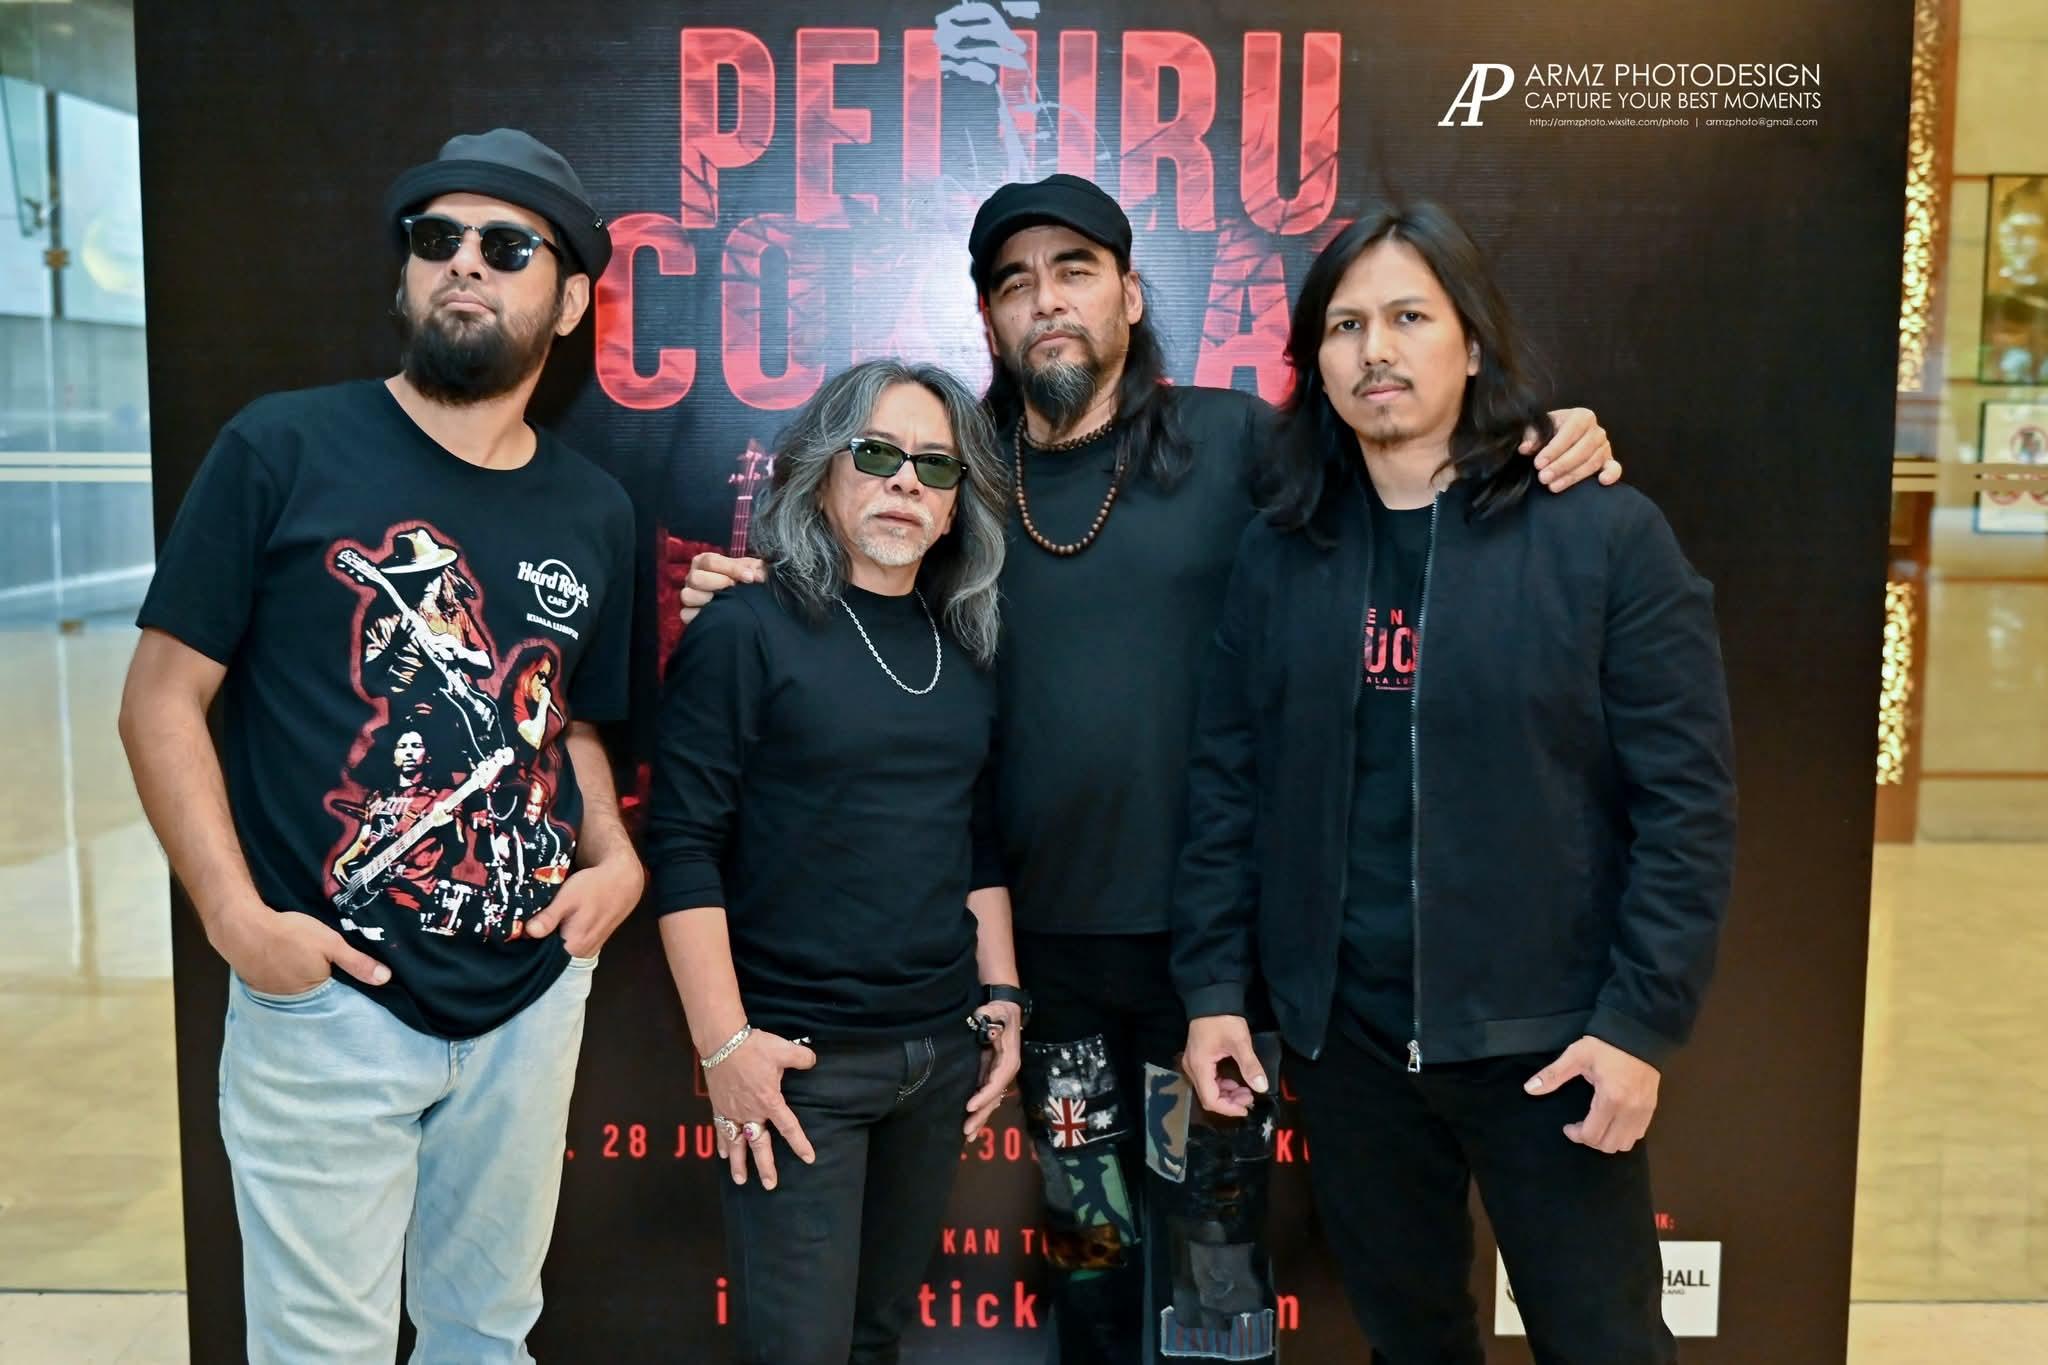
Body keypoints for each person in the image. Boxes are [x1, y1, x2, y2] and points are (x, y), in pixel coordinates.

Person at [679, 172, 1622, 1364]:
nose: (1046, 300)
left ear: (1129, 294)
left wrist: (1534, 435)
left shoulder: (1239, 440)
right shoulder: (959, 476)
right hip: (1045, 963)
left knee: (1215, 1271)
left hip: (1212, 961)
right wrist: (762, 583)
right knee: (1088, 1255)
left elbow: (1403, 455)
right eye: (1014, 282)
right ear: (988, 319)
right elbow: (863, 589)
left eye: (1074, 270)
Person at [1172, 201, 1737, 1364]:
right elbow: (1227, 784)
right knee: (1410, 1342)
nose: (1373, 350)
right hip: (1347, 1047)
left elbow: (1685, 806)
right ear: (1314, 360)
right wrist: (1215, 989)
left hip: (1549, 1042)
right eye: (1344, 326)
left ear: (1471, 344)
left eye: (1407, 317)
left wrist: (1636, 1026)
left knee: (1604, 1344)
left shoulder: (1601, 535)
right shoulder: (1282, 549)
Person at [118, 128, 642, 1362]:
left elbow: (570, 720)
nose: (464, 263)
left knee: (486, 1335)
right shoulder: (281, 448)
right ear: (405, 273)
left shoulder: (594, 509)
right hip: (329, 1005)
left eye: (506, 246)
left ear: (569, 303)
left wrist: (614, 859)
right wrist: (238, 922)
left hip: (527, 1003)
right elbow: (159, 701)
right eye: (436, 238)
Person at [648, 358, 1026, 1365]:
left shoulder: (965, 647)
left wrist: (1001, 998)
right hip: (799, 1069)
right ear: (821, 474)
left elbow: (976, 839)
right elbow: (682, 845)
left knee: (875, 1340)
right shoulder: (744, 630)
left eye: (935, 465)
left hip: (936, 1061)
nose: (906, 481)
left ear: (955, 506)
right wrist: (725, 1051)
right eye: (877, 453)